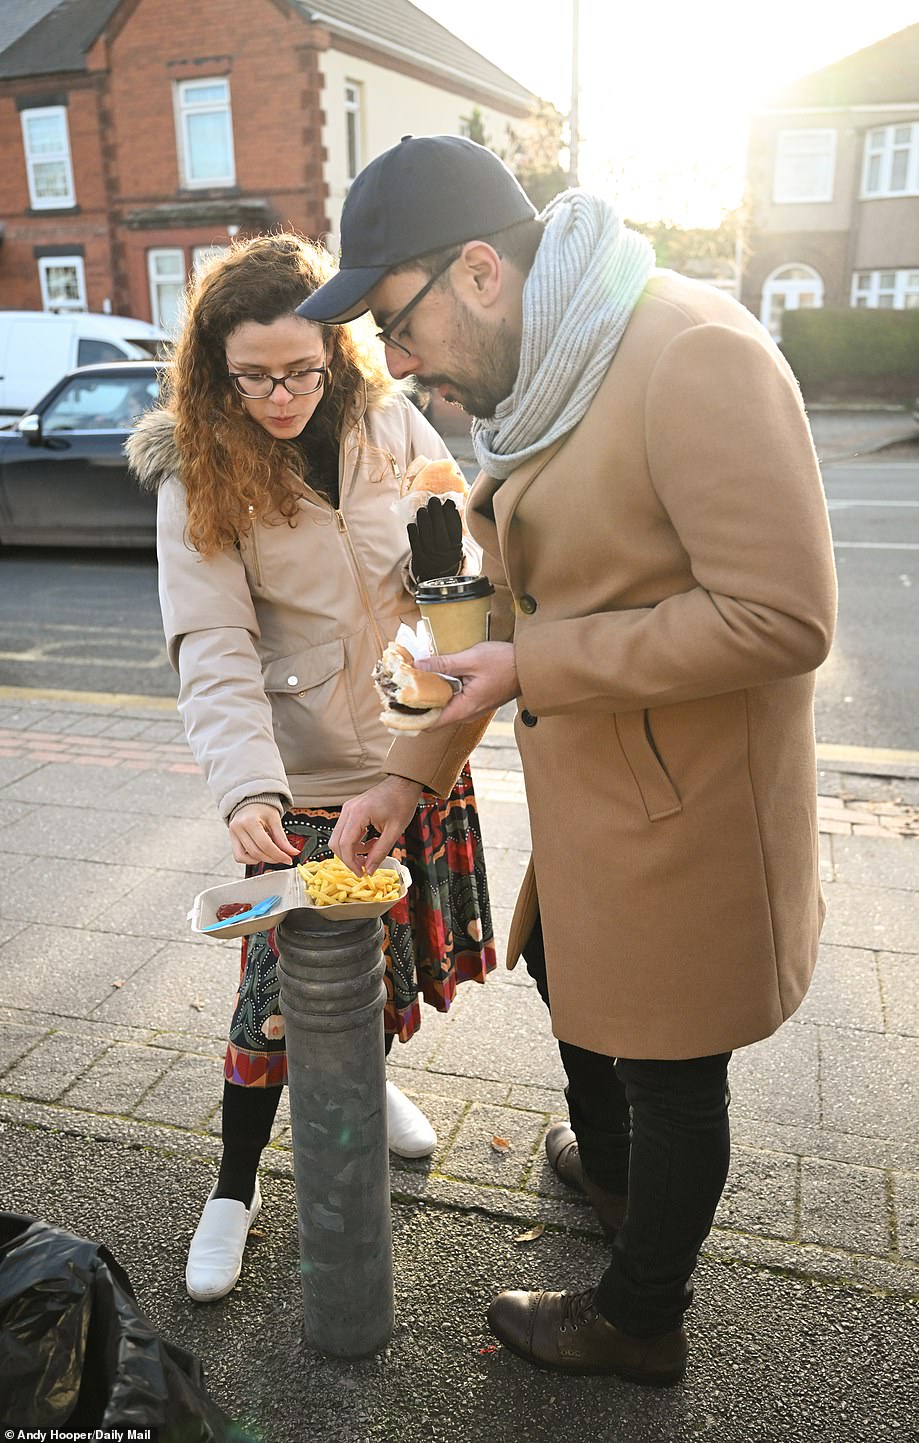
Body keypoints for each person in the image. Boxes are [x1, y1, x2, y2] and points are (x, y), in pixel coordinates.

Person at [298, 136, 838, 1385]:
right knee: (560, 968)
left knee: (669, 1064)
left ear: (479, 270)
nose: (396, 363)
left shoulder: (691, 354)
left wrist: (544, 666)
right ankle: (612, 1173)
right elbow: (494, 611)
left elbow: (784, 617)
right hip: (607, 799)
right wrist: (403, 775)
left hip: (690, 808)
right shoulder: (554, 367)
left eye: (395, 323)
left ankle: (639, 1317)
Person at [126, 232, 496, 1304]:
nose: (279, 395)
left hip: (410, 747)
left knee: (380, 970)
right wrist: (247, 792)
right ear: (214, 370)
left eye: (299, 369)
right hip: (302, 778)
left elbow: (445, 553)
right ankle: (232, 1191)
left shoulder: (389, 419)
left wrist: (455, 625)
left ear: (335, 350)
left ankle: (366, 1085)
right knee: (274, 1002)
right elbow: (213, 646)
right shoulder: (200, 467)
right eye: (251, 376)